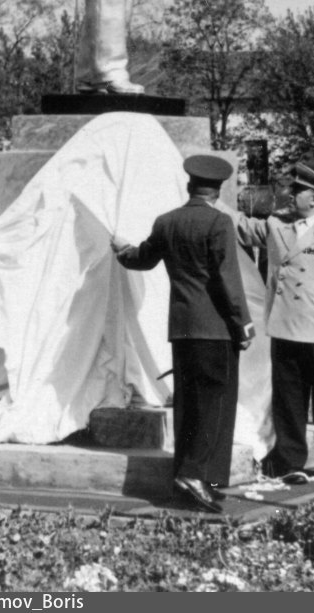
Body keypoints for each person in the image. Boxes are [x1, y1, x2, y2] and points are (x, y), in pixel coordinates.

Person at [113, 155, 255, 514]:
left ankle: (186, 477)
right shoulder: (219, 222)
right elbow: (227, 279)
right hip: (217, 328)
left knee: (189, 405)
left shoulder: (167, 222)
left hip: (182, 327)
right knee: (215, 405)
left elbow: (141, 258)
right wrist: (244, 324)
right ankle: (197, 475)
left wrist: (121, 250)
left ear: (190, 185)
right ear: (217, 190)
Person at [231, 162, 314, 476]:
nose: (290, 194)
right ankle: (291, 461)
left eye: (297, 190)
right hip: (284, 326)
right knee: (288, 400)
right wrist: (209, 198)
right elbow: (241, 225)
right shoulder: (278, 228)